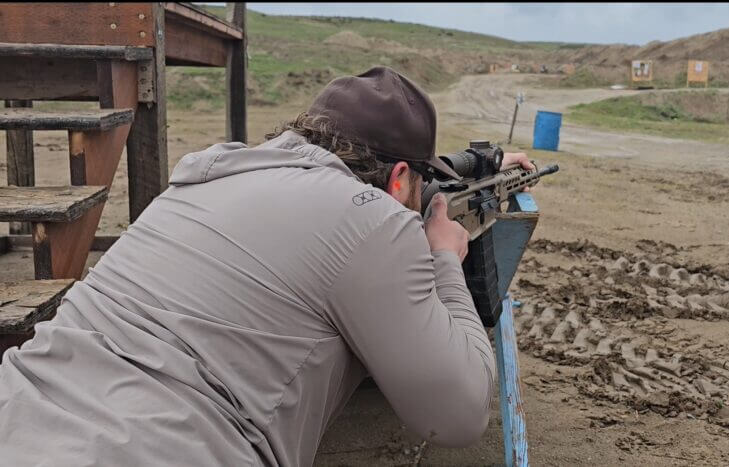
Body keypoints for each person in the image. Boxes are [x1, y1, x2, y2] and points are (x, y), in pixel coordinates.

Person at [0, 66, 535, 466]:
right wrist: (443, 258)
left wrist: (487, 163)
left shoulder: (206, 178)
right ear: (399, 181)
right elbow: (457, 416)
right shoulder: (370, 217)